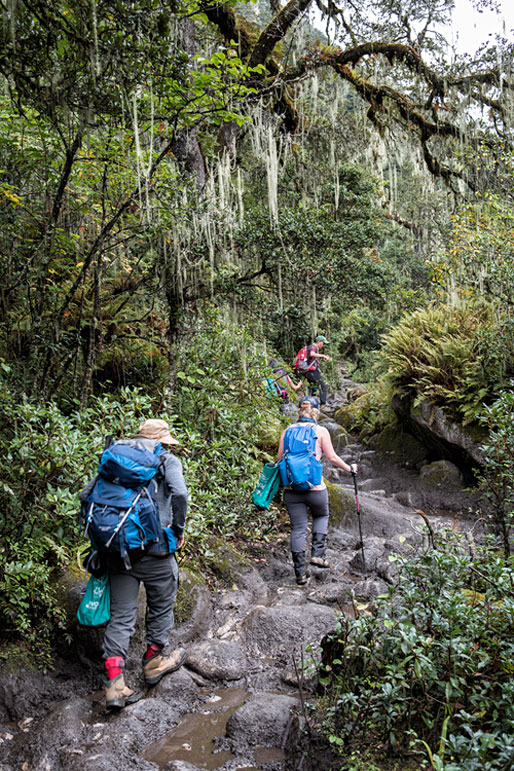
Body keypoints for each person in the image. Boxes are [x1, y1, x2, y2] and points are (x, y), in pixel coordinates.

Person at [102, 418, 188, 710]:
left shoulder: (114, 457)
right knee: (162, 603)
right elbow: (180, 493)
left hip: (119, 550)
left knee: (121, 616)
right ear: (162, 440)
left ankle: (115, 685)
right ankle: (153, 662)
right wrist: (177, 529)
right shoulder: (166, 459)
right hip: (155, 551)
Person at [276, 397, 357, 586]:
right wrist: (350, 469)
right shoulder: (320, 431)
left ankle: (300, 575)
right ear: (316, 412)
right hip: (315, 488)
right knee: (321, 515)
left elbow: (279, 459)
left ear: (300, 411)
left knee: (298, 529)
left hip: (291, 489)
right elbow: (333, 458)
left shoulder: (287, 431)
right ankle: (318, 555)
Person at [302, 335, 332, 407]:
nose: (323, 345)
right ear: (319, 342)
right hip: (312, 371)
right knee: (323, 387)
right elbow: (312, 354)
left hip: (309, 371)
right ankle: (323, 405)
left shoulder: (314, 348)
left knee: (312, 388)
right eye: (323, 343)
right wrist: (323, 356)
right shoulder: (313, 347)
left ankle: (309, 404)